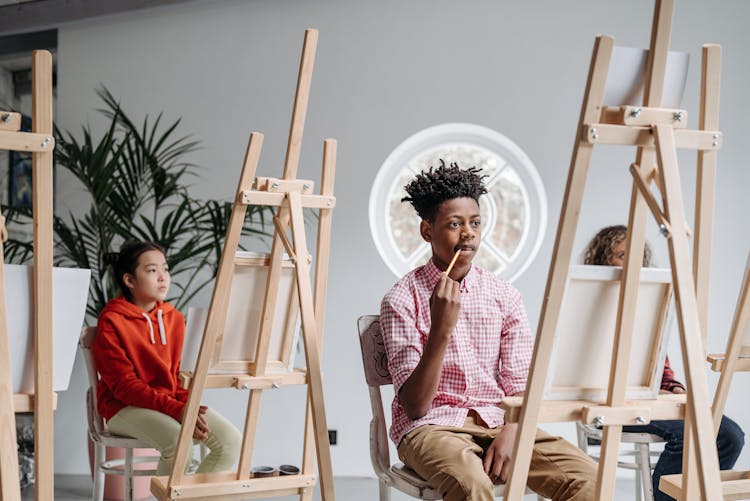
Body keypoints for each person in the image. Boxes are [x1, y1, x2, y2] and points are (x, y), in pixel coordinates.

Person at [380, 160, 597, 501]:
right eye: (454, 224)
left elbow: (520, 383)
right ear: (427, 231)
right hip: (430, 428)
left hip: (499, 422)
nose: (468, 233)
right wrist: (441, 329)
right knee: (471, 485)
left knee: (589, 478)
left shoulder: (504, 295)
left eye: (475, 223)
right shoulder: (401, 299)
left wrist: (512, 429)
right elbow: (416, 407)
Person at [584, 224, 745, 501]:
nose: (633, 263)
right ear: (603, 260)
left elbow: (660, 365)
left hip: (653, 401)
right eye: (622, 255)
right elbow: (582, 373)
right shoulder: (587, 304)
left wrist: (674, 389)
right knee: (687, 439)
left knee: (729, 434)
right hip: (609, 405)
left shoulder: (646, 304)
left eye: (637, 256)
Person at [93, 241, 241, 475]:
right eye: (152, 270)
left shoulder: (174, 318)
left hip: (168, 403)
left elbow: (181, 375)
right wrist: (176, 410)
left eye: (165, 269)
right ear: (129, 280)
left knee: (230, 442)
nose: (163, 277)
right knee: (177, 443)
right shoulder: (112, 321)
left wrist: (188, 407)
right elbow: (124, 386)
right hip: (122, 408)